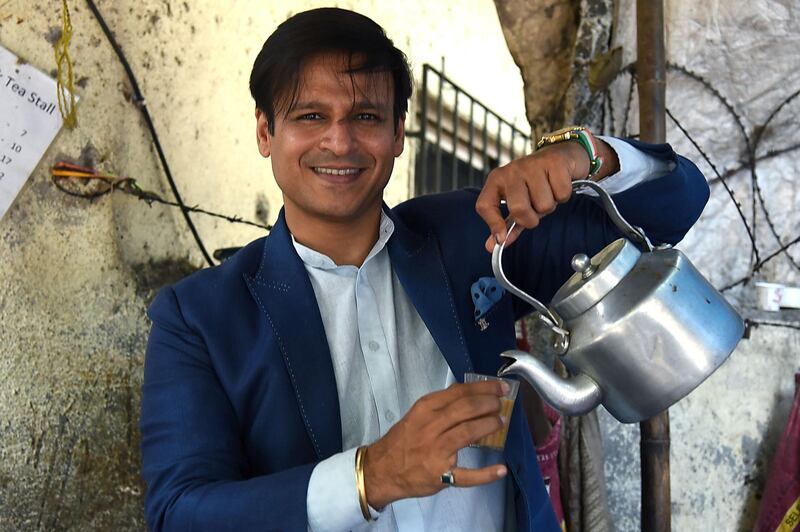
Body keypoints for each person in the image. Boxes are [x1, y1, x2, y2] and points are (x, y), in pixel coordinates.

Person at [140, 7, 709, 532]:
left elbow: (674, 208)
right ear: (266, 131)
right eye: (311, 116)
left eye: (365, 116)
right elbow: (179, 512)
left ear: (398, 133)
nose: (339, 141)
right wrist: (370, 475)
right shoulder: (198, 317)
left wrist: (584, 155)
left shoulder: (475, 235)